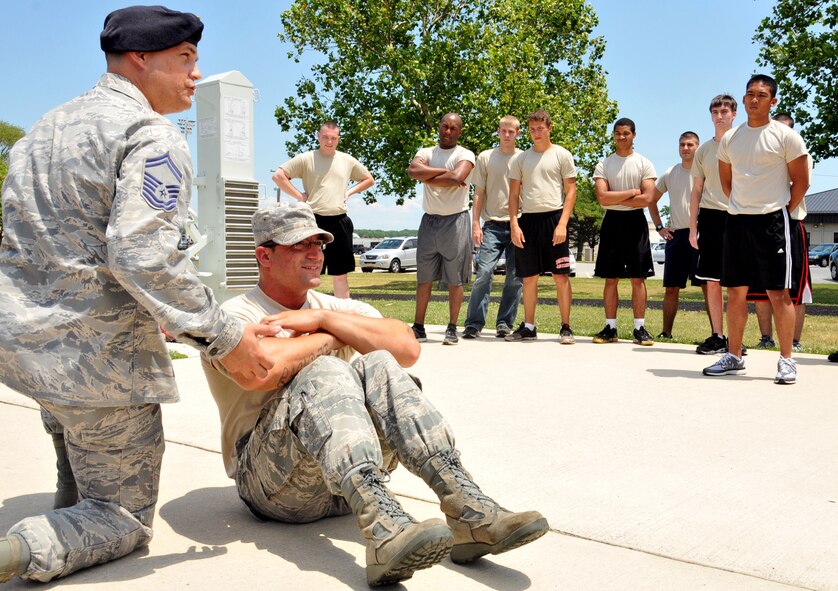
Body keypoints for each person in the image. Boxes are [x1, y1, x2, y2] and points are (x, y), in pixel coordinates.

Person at [0, 6, 277, 584]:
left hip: (25, 347)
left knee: (76, 431)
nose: (195, 74)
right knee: (120, 514)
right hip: (97, 361)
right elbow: (143, 255)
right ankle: (30, 547)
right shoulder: (150, 134)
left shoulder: (42, 131)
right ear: (140, 59)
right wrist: (225, 337)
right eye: (185, 59)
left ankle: (71, 500)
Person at [201, 201, 549, 587]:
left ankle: (469, 512)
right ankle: (383, 531)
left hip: (343, 488)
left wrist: (323, 320)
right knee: (327, 367)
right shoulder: (235, 316)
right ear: (264, 255)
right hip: (273, 488)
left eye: (319, 243)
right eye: (299, 244)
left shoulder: (330, 306)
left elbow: (406, 347)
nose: (315, 253)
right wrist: (334, 338)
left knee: (378, 363)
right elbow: (263, 368)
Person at [703, 74, 809, 384]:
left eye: (761, 95)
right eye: (749, 93)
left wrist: (783, 211)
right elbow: (725, 182)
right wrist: (741, 205)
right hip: (737, 221)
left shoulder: (786, 137)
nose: (753, 99)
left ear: (772, 101)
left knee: (779, 294)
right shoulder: (732, 139)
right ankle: (734, 356)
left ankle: (787, 360)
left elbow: (801, 182)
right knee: (735, 292)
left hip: (773, 222)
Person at [273, 121, 375, 299]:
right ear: (318, 137)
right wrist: (300, 196)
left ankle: (342, 318)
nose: (329, 141)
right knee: (308, 272)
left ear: (338, 139)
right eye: (326, 137)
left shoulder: (347, 160)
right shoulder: (306, 158)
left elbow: (368, 179)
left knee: (340, 275)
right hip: (313, 221)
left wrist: (350, 191)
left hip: (340, 220)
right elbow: (278, 176)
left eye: (333, 138)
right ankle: (306, 314)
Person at [506, 110, 578, 343]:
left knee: (560, 276)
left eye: (540, 128)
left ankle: (566, 327)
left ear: (549, 127)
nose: (536, 133)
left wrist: (562, 224)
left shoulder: (562, 155)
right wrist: (515, 225)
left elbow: (571, 192)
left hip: (554, 219)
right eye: (532, 129)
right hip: (528, 221)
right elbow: (514, 194)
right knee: (528, 278)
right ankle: (528, 326)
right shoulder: (520, 159)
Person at [407, 113, 475, 345]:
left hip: (456, 221)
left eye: (453, 128)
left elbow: (458, 176)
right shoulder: (425, 152)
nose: (447, 131)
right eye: (444, 126)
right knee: (423, 277)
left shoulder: (465, 154)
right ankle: (418, 327)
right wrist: (447, 176)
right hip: (429, 221)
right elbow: (412, 171)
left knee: (455, 279)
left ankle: (452, 328)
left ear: (460, 131)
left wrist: (428, 176)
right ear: (439, 127)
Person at [747, 113, 813, 353]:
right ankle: (766, 338)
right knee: (760, 287)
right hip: (761, 224)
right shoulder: (760, 154)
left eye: (786, 130)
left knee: (795, 289)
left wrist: (781, 212)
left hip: (791, 224)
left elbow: (800, 185)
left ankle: (794, 341)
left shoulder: (801, 154)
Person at [592, 118, 657, 346]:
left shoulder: (644, 164)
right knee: (611, 278)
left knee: (638, 278)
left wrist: (615, 197)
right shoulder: (604, 164)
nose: (621, 137)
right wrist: (631, 192)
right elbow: (602, 198)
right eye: (618, 133)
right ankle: (610, 327)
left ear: (634, 135)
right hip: (612, 223)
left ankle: (639, 328)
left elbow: (648, 198)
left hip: (636, 224)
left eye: (626, 133)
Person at [463, 116, 523, 339]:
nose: (507, 135)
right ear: (498, 131)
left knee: (515, 278)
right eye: (503, 131)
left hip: (518, 225)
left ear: (518, 133)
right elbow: (478, 193)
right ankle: (474, 323)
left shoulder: (523, 158)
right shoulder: (486, 157)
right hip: (492, 226)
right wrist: (475, 224)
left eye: (512, 132)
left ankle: (504, 323)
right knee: (484, 273)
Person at [689, 94, 739, 355]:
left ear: (734, 114)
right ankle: (718, 337)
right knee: (711, 281)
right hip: (709, 217)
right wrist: (693, 226)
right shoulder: (703, 150)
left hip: (739, 216)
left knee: (736, 283)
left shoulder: (742, 143)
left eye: (725, 111)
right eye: (716, 112)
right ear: (711, 116)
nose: (720, 116)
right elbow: (696, 190)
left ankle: (736, 341)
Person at [649, 132, 702, 340]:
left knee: (708, 286)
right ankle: (666, 332)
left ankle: (717, 335)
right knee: (671, 288)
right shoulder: (670, 173)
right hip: (677, 236)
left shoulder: (704, 172)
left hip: (699, 236)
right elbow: (651, 200)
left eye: (690, 144)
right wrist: (660, 227)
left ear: (697, 147)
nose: (686, 148)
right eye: (682, 144)